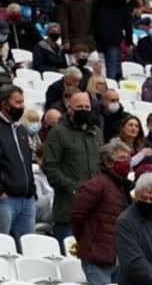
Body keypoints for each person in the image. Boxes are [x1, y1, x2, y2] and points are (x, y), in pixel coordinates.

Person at [71, 141, 133, 285]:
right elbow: (77, 216)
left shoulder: (122, 187)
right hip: (98, 256)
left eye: (128, 159)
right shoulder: (97, 185)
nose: (126, 163)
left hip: (118, 256)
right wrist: (87, 241)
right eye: (121, 158)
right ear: (108, 161)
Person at [43, 91, 103, 242]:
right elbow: (50, 167)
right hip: (68, 210)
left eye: (87, 107)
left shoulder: (97, 133)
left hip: (95, 211)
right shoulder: (58, 132)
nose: (84, 110)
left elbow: (102, 165)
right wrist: (74, 188)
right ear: (69, 108)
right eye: (79, 106)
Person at [0, 85, 36, 241]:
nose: (22, 106)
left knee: (27, 248)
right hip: (6, 200)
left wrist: (32, 191)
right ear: (4, 104)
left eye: (22, 102)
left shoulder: (21, 129)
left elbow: (27, 162)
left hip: (27, 200)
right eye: (18, 102)